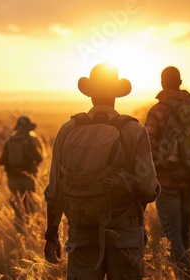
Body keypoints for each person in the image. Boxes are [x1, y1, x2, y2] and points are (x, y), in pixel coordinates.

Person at [44, 63, 160, 279]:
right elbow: (148, 190)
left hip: (81, 229)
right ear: (116, 95)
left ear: (90, 95)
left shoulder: (67, 129)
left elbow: (55, 189)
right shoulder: (134, 130)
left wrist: (51, 236)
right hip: (124, 232)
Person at [145, 66, 190, 278]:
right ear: (180, 81)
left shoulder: (158, 110)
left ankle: (187, 276)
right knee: (184, 236)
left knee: (171, 237)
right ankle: (186, 273)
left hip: (168, 183)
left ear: (162, 83)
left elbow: (147, 147)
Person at [0, 116, 43, 230]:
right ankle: (32, 232)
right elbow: (39, 158)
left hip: (12, 179)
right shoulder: (30, 140)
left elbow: (1, 161)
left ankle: (20, 232)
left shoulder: (10, 142)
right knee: (30, 207)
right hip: (28, 179)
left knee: (18, 208)